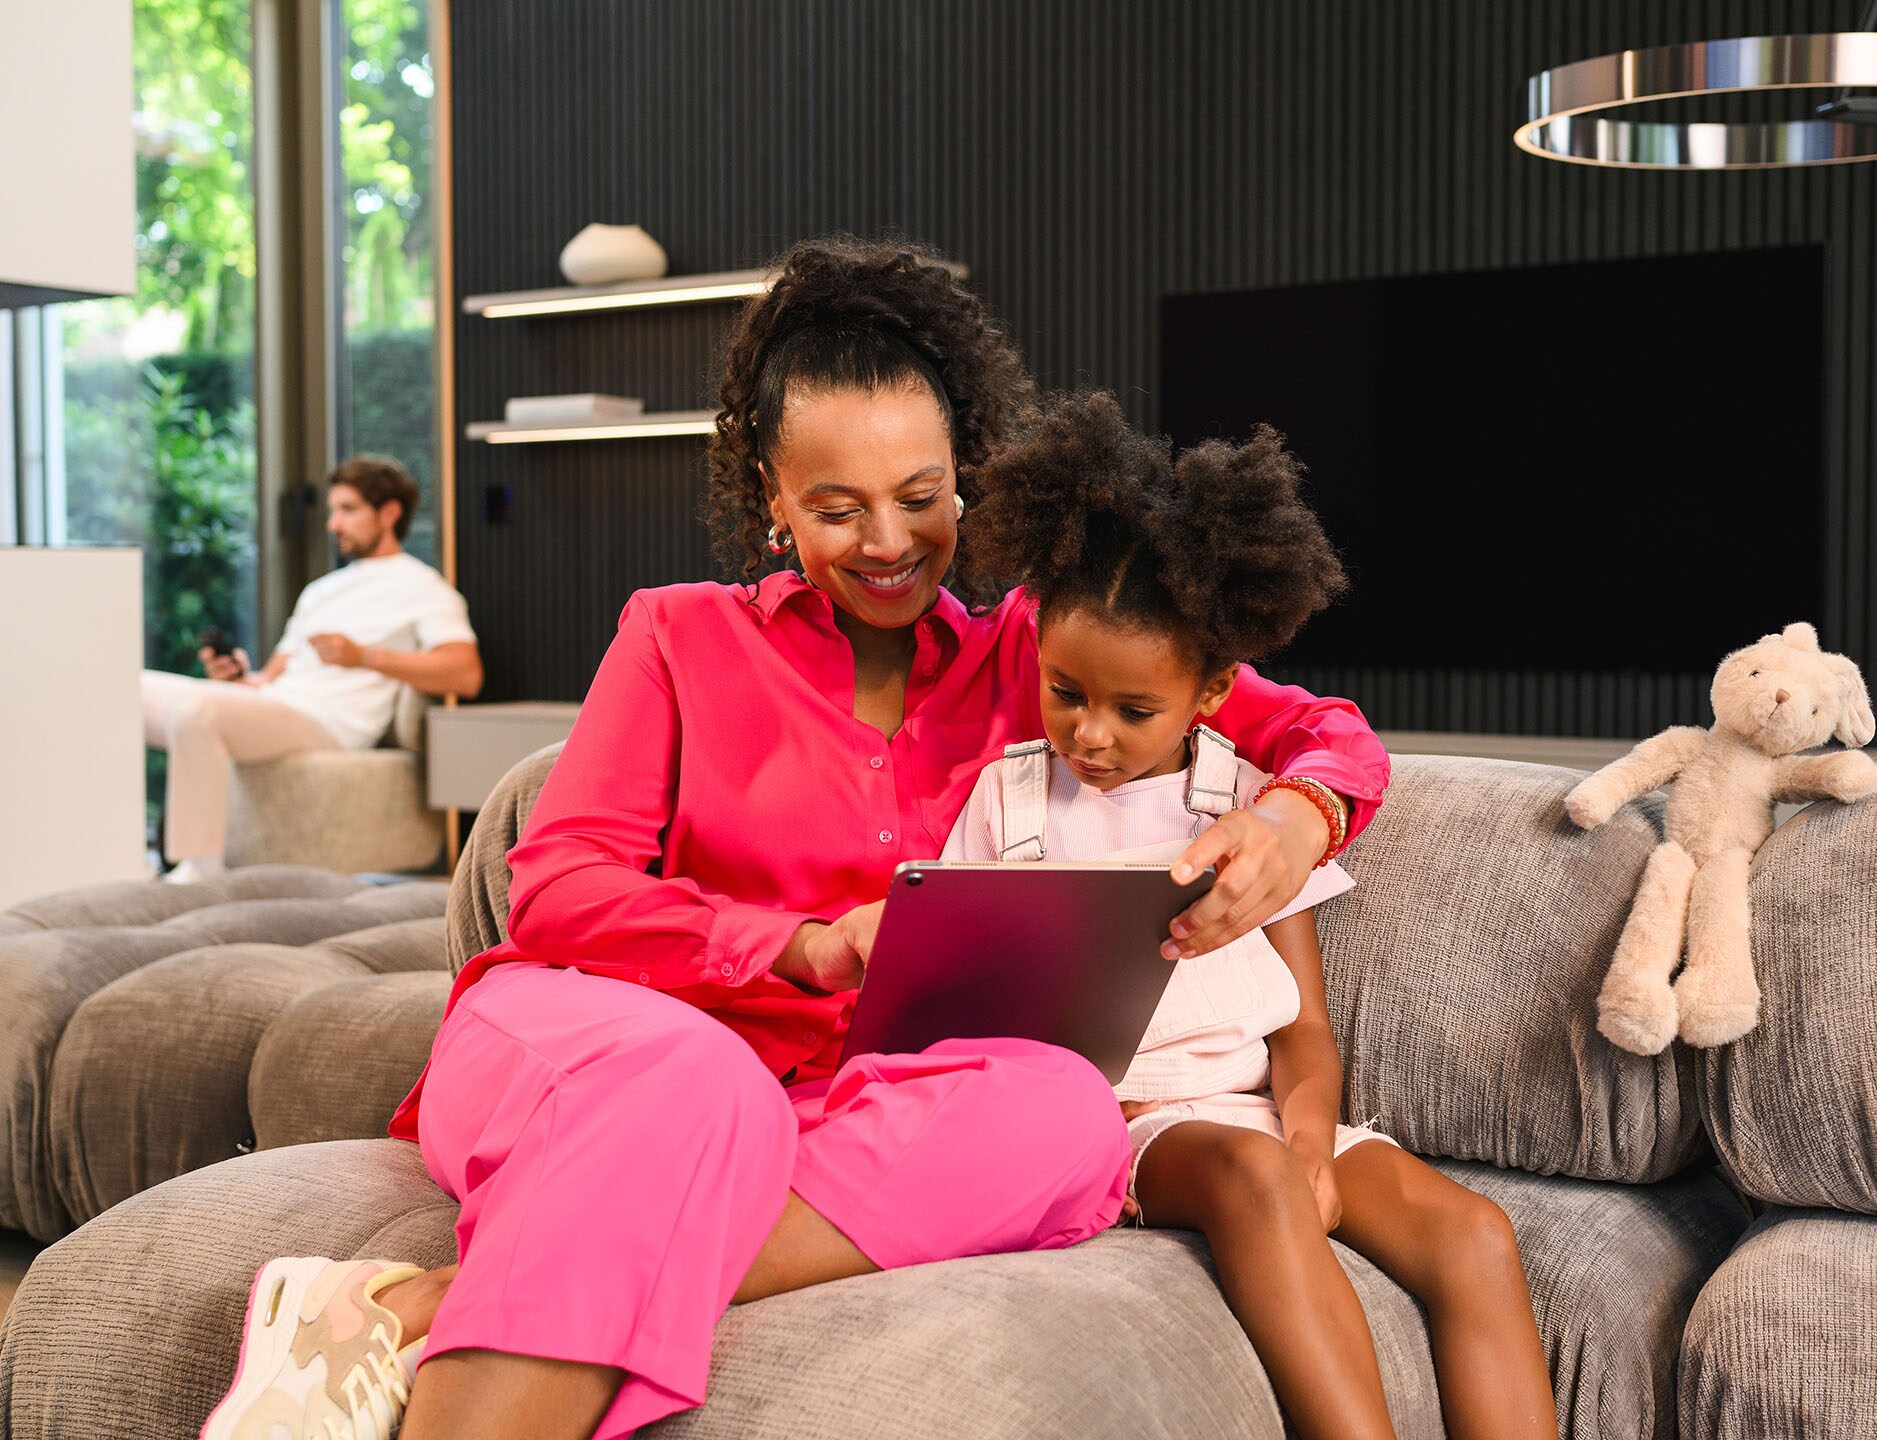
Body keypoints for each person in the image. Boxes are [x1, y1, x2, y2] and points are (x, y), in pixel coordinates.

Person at [198, 240, 1392, 1440]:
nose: (887, 542)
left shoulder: (1034, 656)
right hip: (594, 1046)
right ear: (771, 495)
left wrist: (1301, 812)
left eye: (920, 497)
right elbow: (559, 892)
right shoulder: (676, 638)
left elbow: (1320, 730)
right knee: (699, 1083)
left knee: (1068, 1115)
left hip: (832, 1106)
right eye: (836, 506)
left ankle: (417, 1308)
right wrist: (802, 947)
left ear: (964, 480)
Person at [943, 392, 1557, 1440]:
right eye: (1064, 692)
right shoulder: (1004, 806)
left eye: (1133, 711)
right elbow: (969, 1014)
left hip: (1266, 1116)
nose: (1090, 736)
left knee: (1476, 1235)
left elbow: (1303, 1033)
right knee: (1254, 1174)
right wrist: (1276, 1162)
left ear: (1215, 691)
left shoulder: (1254, 810)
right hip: (1133, 1126)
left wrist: (1314, 1145)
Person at [140, 455, 483, 882]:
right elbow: (271, 678)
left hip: (330, 724)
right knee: (124, 688)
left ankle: (199, 870)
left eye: (348, 510)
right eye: (333, 511)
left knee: (196, 708)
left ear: (390, 513)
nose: (333, 524)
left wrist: (366, 657)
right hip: (280, 706)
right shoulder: (321, 591)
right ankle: (112, 851)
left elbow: (465, 673)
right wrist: (239, 680)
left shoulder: (424, 588)